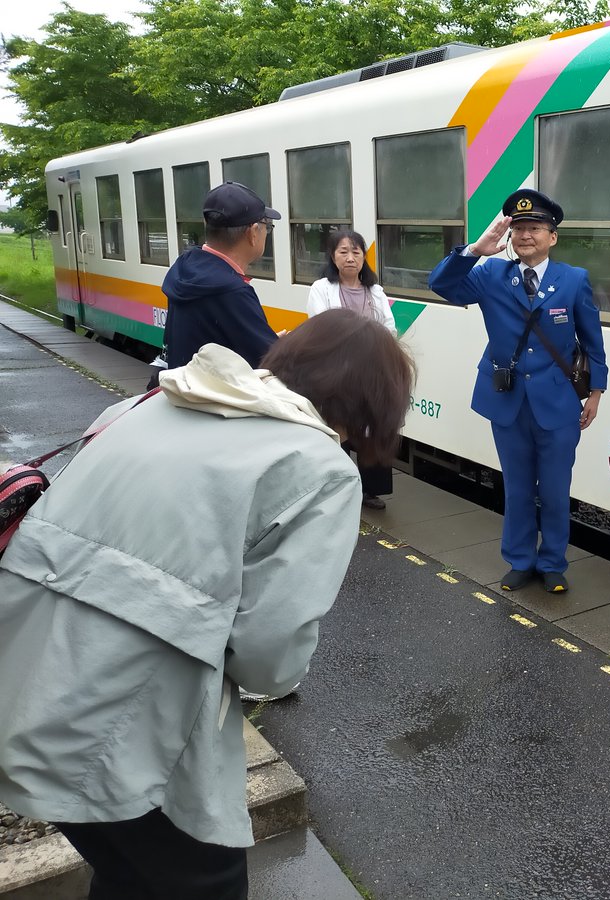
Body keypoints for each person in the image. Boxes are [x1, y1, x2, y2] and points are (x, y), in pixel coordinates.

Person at [0, 309, 415, 900]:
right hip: (119, 722)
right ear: (372, 404)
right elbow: (270, 657)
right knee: (202, 883)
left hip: (19, 676)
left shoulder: (143, 406)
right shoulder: (317, 467)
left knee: (129, 874)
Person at [428, 188, 607, 594]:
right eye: (519, 228)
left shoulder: (573, 280)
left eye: (535, 228)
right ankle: (520, 560)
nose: (526, 235)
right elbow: (441, 284)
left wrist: (596, 392)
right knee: (518, 486)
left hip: (558, 403)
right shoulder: (491, 274)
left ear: (552, 237)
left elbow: (592, 341)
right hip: (507, 400)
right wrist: (475, 251)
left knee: (556, 490)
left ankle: (553, 563)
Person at [307, 229, 397, 510]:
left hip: (371, 373)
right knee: (339, 428)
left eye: (356, 252)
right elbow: (321, 327)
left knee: (373, 429)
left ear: (363, 257)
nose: (350, 258)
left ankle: (371, 490)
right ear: (332, 257)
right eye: (343, 252)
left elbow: (389, 328)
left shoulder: (375, 291)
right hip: (337, 373)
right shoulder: (321, 288)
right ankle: (340, 487)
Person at [159, 181, 281, 374]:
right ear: (252, 233)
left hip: (186, 385)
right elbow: (272, 361)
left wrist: (266, 338)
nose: (266, 233)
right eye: (267, 227)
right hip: (213, 392)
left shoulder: (185, 266)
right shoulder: (232, 292)